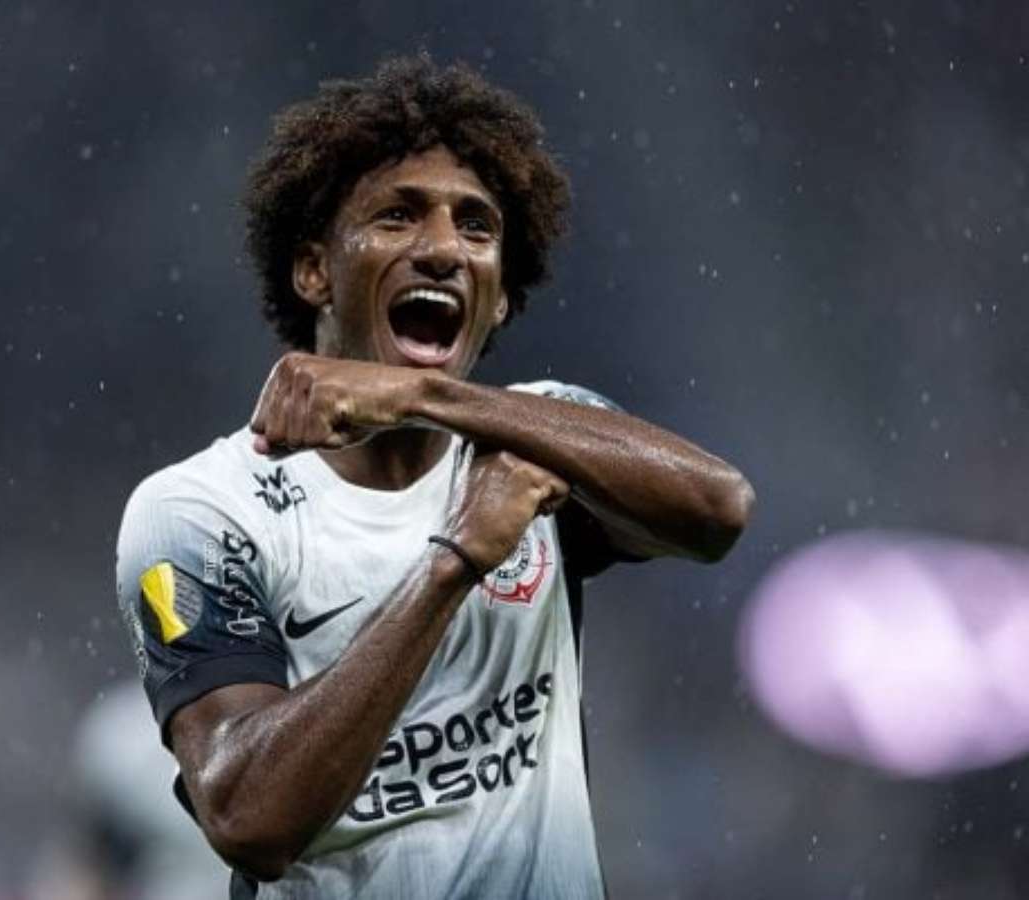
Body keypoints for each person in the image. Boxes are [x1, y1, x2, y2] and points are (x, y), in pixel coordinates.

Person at [115, 55, 754, 899]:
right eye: (398, 215)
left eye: (477, 228)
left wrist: (424, 396)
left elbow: (719, 509)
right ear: (314, 271)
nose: (445, 249)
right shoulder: (201, 511)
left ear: (500, 299)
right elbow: (249, 818)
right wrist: (453, 566)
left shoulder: (539, 434)